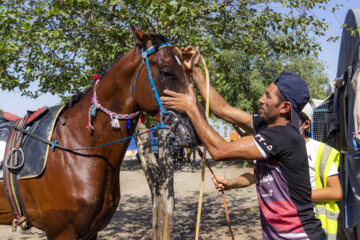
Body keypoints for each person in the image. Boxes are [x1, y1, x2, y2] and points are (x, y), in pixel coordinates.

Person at [160, 46, 326, 239]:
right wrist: (195, 70)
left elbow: (219, 150)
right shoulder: (266, 125)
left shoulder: (284, 136)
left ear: (285, 107)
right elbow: (222, 110)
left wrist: (192, 109)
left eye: (267, 96)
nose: (260, 99)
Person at [300, 103, 342, 240]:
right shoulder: (276, 150)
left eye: (290, 120)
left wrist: (297, 195)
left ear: (305, 124)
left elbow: (335, 192)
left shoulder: (321, 151)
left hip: (313, 223)